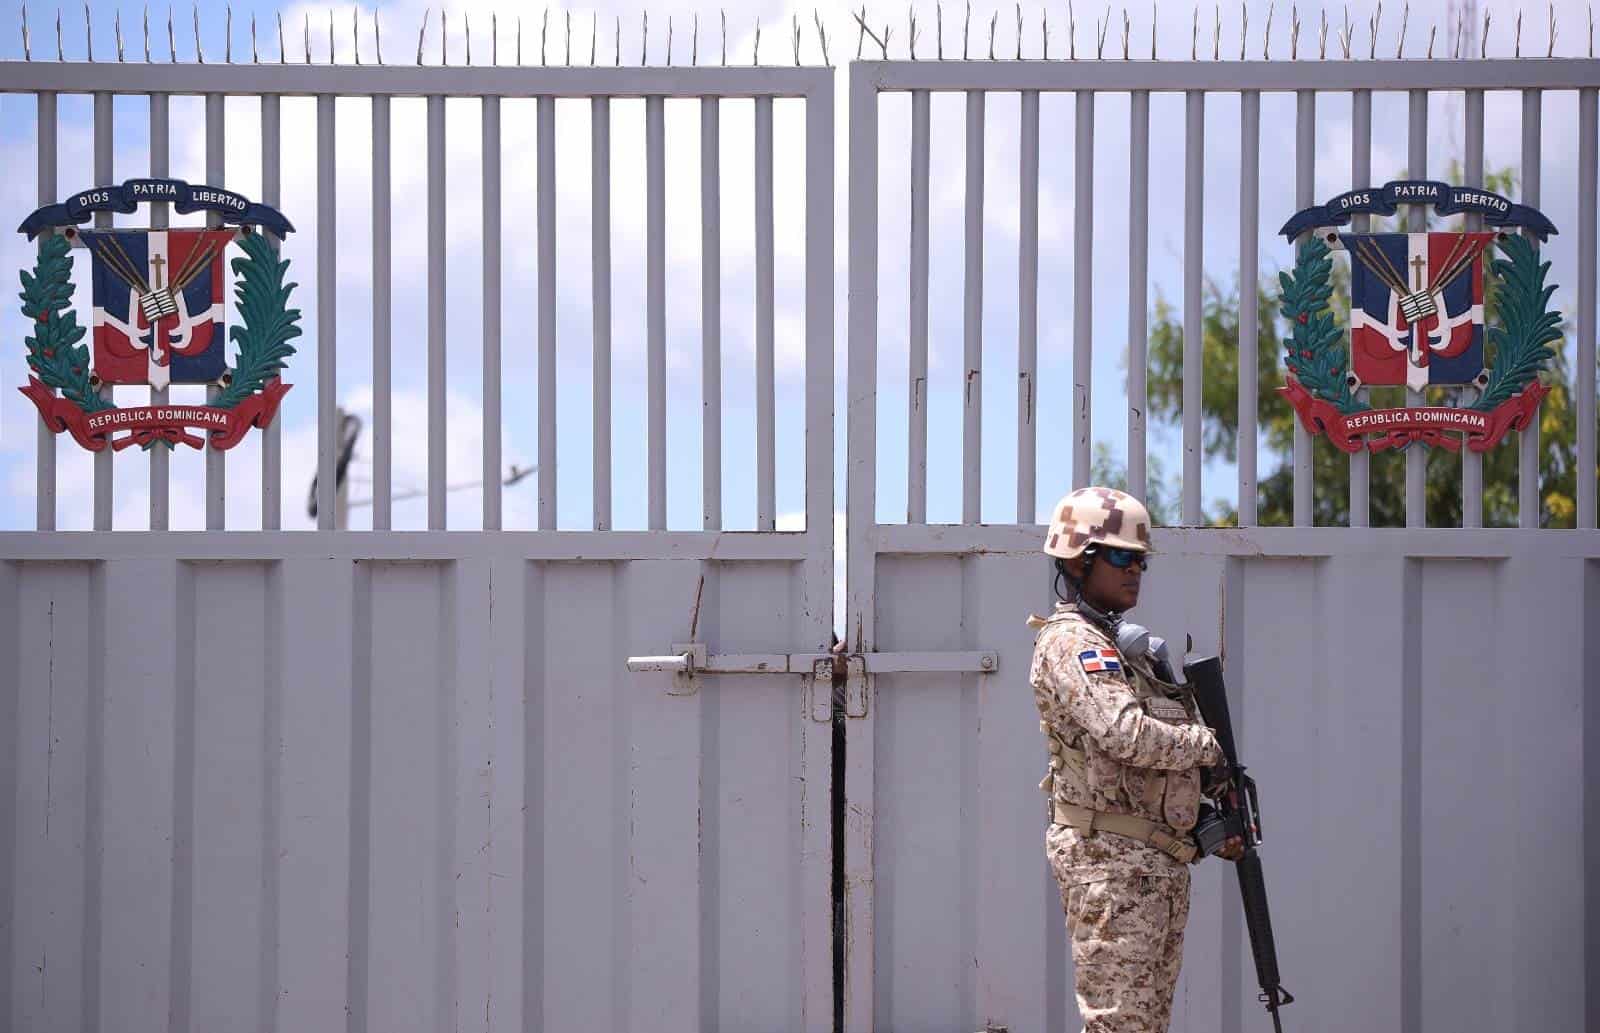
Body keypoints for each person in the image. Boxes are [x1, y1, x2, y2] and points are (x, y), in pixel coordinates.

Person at [1029, 486, 1243, 1033]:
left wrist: (1210, 814)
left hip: (1153, 863)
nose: (1135, 571)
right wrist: (1206, 744)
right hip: (1110, 864)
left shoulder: (1129, 652)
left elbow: (1144, 766)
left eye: (1141, 560)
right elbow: (1123, 734)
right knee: (1118, 1026)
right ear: (1079, 560)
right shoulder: (1073, 643)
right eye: (1122, 556)